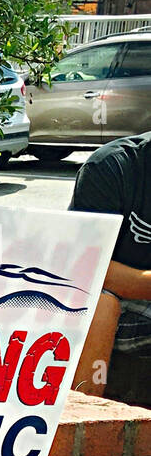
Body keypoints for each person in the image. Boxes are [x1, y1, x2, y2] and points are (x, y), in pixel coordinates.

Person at [67, 132, 151, 396]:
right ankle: (83, 423)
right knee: (101, 303)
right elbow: (85, 266)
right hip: (111, 296)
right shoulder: (112, 167)